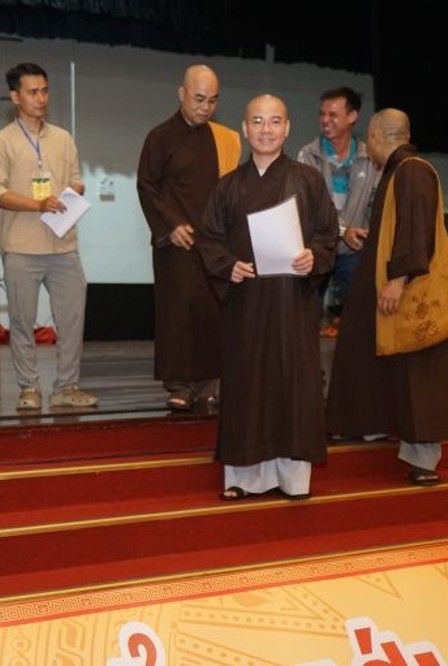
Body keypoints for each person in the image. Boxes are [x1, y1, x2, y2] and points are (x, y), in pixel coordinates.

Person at [198, 95, 337, 501]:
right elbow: (209, 238)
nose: (266, 129)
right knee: (247, 383)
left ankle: (293, 478)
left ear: (287, 128)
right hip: (247, 302)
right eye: (257, 121)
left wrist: (314, 256)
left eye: (275, 121)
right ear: (245, 128)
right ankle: (244, 476)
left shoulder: (309, 181)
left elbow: (327, 234)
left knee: (294, 384)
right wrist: (227, 266)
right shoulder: (228, 186)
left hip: (292, 301)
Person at [325, 108, 448, 487]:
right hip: (382, 282)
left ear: (375, 136)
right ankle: (368, 423)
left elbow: (416, 228)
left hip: (408, 289)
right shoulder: (397, 170)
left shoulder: (413, 170)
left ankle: (423, 457)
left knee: (418, 372)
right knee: (363, 347)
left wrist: (399, 278)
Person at [0, 62, 96, 411]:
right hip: (20, 246)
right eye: (33, 92)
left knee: (72, 320)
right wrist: (37, 204)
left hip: (63, 244)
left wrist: (72, 193)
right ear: (15, 97)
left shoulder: (63, 138)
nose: (41, 98)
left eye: (45, 91)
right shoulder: (1, 142)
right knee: (22, 322)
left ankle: (67, 386)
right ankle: (29, 387)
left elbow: (77, 179)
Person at [136, 64, 241, 411]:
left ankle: (210, 383)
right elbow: (147, 186)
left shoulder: (223, 138)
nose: (205, 107)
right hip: (176, 243)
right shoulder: (160, 137)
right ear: (181, 94)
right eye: (199, 99)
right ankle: (180, 384)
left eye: (212, 100)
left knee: (212, 312)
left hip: (214, 242)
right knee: (179, 312)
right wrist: (171, 226)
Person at [296, 87, 377, 334]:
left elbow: (376, 204)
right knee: (305, 317)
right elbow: (308, 208)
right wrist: (343, 230)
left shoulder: (371, 158)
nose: (324, 120)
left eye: (332, 114)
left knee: (364, 317)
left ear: (352, 116)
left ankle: (356, 360)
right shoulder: (307, 155)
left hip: (354, 252)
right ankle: (308, 361)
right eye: (322, 114)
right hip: (317, 249)